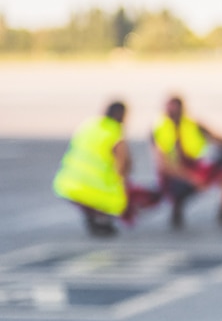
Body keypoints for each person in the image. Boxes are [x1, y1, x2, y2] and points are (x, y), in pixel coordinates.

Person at [53, 100, 159, 237]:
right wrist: (122, 179)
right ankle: (104, 219)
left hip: (68, 185)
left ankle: (95, 216)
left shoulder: (90, 125)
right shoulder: (114, 132)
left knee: (98, 196)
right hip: (96, 190)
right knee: (129, 197)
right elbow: (123, 164)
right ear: (121, 115)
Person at [151, 95, 222, 229]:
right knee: (178, 185)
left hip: (194, 167)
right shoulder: (160, 130)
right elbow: (164, 166)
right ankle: (177, 206)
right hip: (175, 176)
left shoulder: (192, 125)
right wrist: (192, 179)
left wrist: (209, 132)